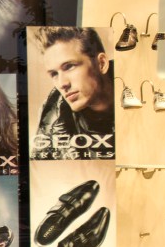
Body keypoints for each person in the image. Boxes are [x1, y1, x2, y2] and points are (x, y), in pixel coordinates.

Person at [32, 26, 114, 160]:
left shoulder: (130, 86)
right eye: (54, 74)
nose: (62, 83)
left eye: (69, 66)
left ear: (101, 63)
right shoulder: (51, 120)